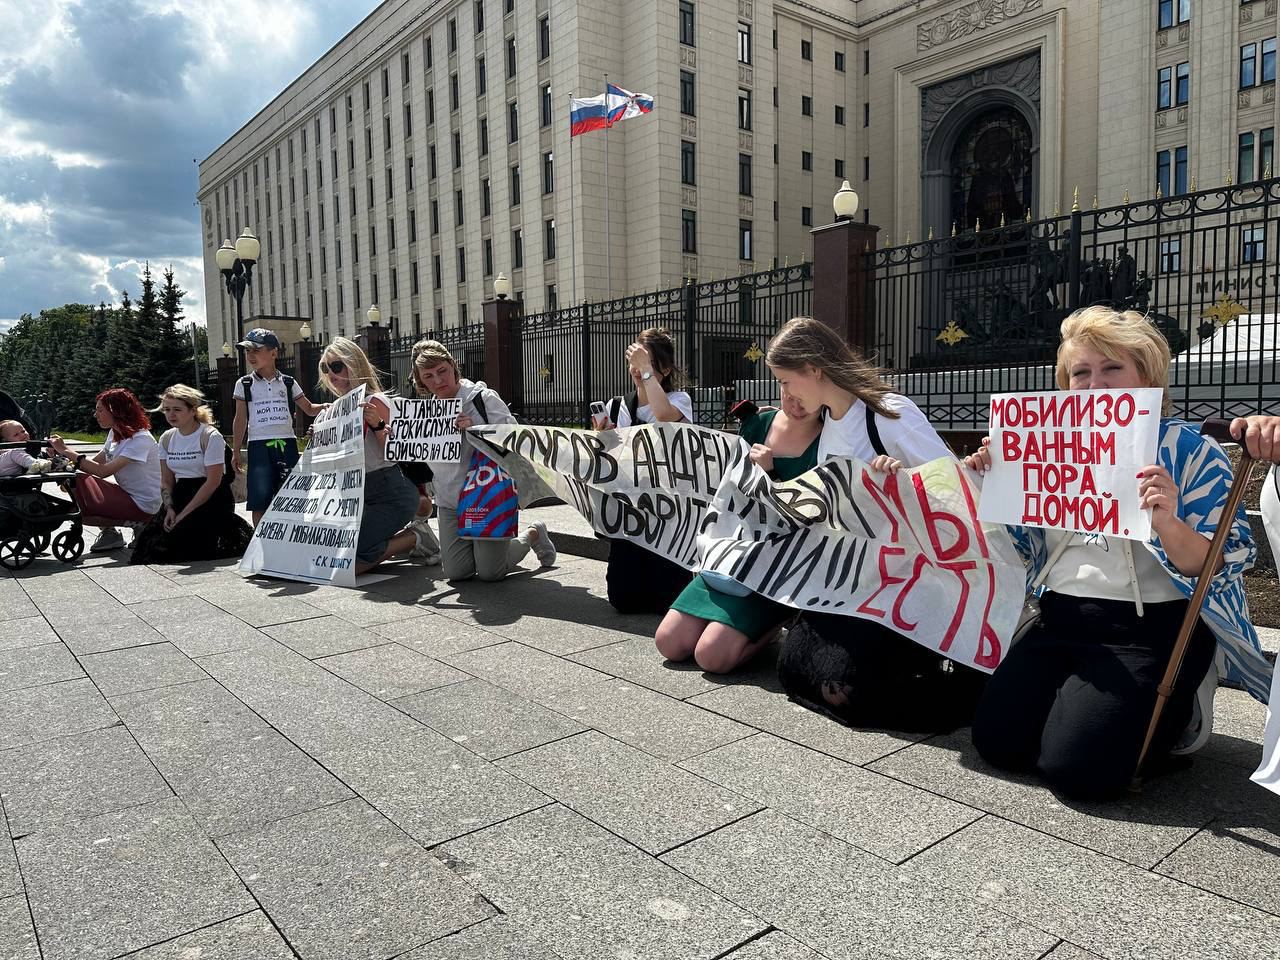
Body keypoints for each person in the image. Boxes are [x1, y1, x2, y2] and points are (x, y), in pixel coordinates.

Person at [964, 306, 1269, 801]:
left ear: (1147, 376)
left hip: (1151, 626)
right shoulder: (1046, 445)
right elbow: (1018, 545)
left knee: (1078, 774)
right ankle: (1084, 705)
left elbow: (1214, 565)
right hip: (1060, 615)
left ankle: (1183, 701)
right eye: (1080, 372)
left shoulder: (1191, 451)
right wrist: (990, 478)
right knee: (998, 745)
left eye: (1112, 368)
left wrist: (1166, 519)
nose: (1094, 385)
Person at [762, 316, 984, 732]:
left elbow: (955, 492)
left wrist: (901, 485)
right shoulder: (828, 422)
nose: (784, 393)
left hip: (906, 584)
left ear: (814, 369)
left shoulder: (889, 414)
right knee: (791, 666)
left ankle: (962, 690)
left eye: (786, 381)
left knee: (840, 687)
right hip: (857, 581)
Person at [656, 391, 821, 672]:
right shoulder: (758, 423)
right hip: (732, 555)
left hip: (776, 567)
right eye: (786, 389)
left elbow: (814, 513)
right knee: (668, 643)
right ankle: (735, 627)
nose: (796, 403)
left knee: (712, 657)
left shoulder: (831, 437)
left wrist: (771, 476)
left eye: (802, 392)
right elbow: (728, 494)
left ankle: (773, 624)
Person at [412, 339, 556, 581]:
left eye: (442, 371)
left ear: (453, 366)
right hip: (449, 501)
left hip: (487, 496)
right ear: (421, 381)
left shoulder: (482, 398)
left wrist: (475, 429)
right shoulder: (427, 415)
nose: (437, 381)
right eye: (428, 376)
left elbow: (514, 437)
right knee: (457, 573)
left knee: (491, 573)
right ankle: (481, 549)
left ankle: (533, 533)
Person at [602, 327, 697, 613]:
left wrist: (646, 373)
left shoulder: (680, 401)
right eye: (635, 361)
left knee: (667, 600)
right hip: (631, 509)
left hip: (668, 509)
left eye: (647, 363)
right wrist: (603, 438)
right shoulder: (618, 405)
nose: (637, 369)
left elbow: (665, 418)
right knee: (623, 599)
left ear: (665, 370)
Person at [317, 338, 428, 574]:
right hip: (357, 496)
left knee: (348, 565)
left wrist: (377, 425)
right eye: (326, 369)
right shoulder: (335, 409)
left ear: (354, 364)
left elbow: (400, 452)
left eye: (337, 366)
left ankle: (416, 537)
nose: (331, 374)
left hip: (391, 491)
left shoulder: (375, 401)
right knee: (332, 556)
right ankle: (402, 541)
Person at [129, 385, 253, 564]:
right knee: (151, 549)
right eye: (167, 410)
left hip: (211, 496)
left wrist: (183, 514)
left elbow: (213, 481)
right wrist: (170, 508)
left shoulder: (210, 436)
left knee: (192, 546)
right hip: (181, 493)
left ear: (192, 410)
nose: (171, 415)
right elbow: (166, 479)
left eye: (177, 410)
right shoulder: (167, 438)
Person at [230, 328, 326, 526]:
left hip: (287, 444)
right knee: (259, 499)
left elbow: (308, 408)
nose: (250, 355)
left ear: (274, 352)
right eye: (247, 351)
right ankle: (261, 545)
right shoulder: (244, 383)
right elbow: (240, 419)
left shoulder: (288, 382)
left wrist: (327, 406)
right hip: (258, 446)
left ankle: (291, 540)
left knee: (292, 495)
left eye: (256, 350)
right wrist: (237, 450)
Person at [48, 388, 162, 552]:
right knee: (76, 486)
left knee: (80, 486)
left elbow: (103, 471)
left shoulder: (140, 439)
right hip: (129, 496)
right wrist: (65, 464)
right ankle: (111, 534)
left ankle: (143, 524)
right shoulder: (115, 433)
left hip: (145, 503)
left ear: (116, 411)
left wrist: (65, 450)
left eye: (100, 410)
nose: (96, 415)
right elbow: (94, 463)